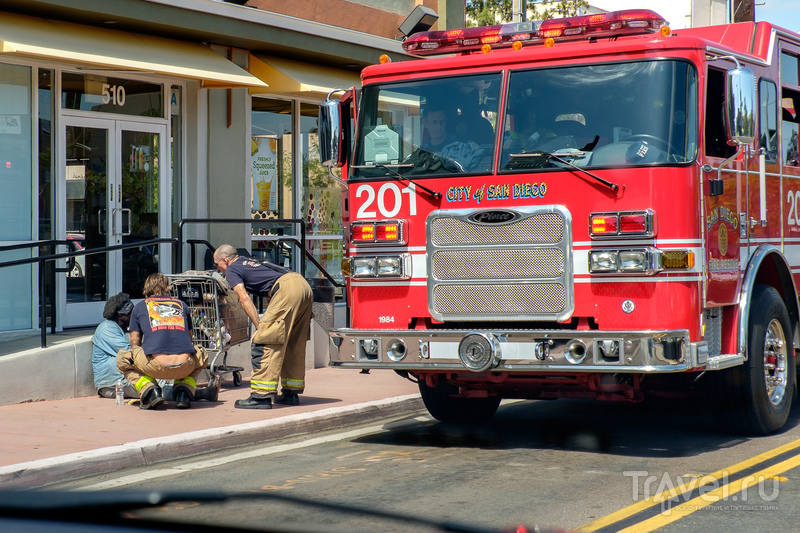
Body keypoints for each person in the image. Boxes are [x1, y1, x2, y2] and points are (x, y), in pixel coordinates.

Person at [213, 244, 313, 410]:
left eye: (217, 264)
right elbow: (270, 292)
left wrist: (261, 328)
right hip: (302, 285)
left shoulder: (232, 269)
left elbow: (244, 299)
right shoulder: (248, 262)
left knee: (265, 342)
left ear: (225, 260)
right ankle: (290, 394)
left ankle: (261, 396)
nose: (218, 269)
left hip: (286, 289)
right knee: (293, 342)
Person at [116, 273, 211, 410]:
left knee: (122, 359)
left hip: (155, 365)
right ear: (167, 288)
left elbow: (134, 340)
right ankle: (183, 392)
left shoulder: (140, 307)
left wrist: (142, 354)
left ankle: (150, 391)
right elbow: (190, 339)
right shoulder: (182, 305)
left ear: (146, 288)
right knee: (201, 354)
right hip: (185, 365)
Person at [91, 292, 138, 399]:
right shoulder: (107, 328)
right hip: (112, 385)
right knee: (157, 390)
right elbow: (131, 354)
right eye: (131, 314)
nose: (134, 317)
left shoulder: (123, 329)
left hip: (125, 380)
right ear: (121, 315)